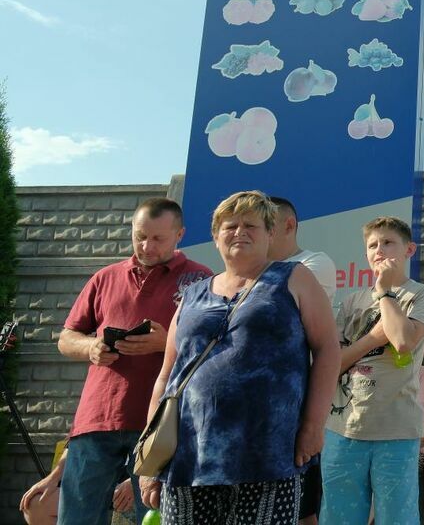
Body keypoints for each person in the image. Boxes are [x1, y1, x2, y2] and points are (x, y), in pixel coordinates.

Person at [138, 191, 338, 522]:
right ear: (215, 236)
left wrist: (314, 425)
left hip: (268, 455)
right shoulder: (192, 295)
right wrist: (150, 462)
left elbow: (328, 348)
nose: (240, 232)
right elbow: (167, 375)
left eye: (251, 225)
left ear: (270, 234)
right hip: (189, 457)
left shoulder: (295, 278)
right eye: (230, 225)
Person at [56, 197, 212, 525]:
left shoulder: (202, 279)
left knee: (156, 517)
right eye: (140, 236)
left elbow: (217, 348)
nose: (146, 245)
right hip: (97, 418)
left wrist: (165, 342)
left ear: (180, 234)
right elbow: (66, 338)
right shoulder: (105, 277)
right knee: (77, 517)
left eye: (158, 238)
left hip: (164, 423)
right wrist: (92, 348)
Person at [320, 215, 424, 524]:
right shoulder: (351, 302)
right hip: (343, 429)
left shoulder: (423, 294)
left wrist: (385, 292)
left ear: (409, 249)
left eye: (388, 243)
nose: (379, 250)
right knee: (338, 516)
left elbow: (402, 341)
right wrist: (372, 339)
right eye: (372, 245)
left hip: (396, 430)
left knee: (396, 518)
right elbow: (331, 365)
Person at [267, 196, 337, 525]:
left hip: (294, 408)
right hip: (253, 414)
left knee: (301, 507)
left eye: (263, 225)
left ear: (289, 226)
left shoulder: (312, 264)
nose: (250, 235)